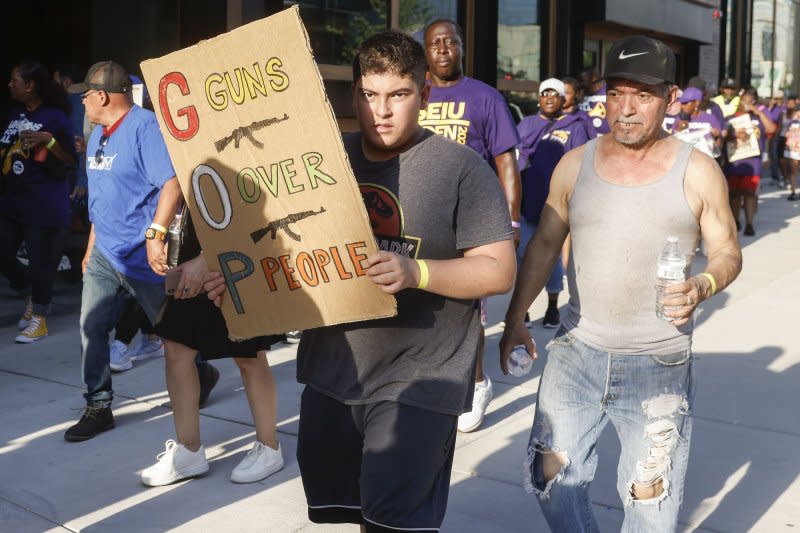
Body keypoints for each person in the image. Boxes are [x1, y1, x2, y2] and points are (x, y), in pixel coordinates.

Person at [208, 30, 515, 532]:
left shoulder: (461, 168)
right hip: (333, 373)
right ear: (354, 95)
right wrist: (237, 278)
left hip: (421, 378)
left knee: (394, 525)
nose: (382, 110)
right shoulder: (321, 162)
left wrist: (417, 271)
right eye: (370, 95)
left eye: (398, 94)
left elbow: (499, 269)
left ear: (425, 95)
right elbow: (275, 244)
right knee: (346, 515)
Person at [500, 35, 742, 532]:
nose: (626, 109)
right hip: (576, 351)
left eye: (643, 95)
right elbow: (543, 247)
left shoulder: (697, 171)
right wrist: (514, 319)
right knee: (552, 481)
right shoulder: (575, 165)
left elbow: (727, 252)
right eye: (616, 93)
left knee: (651, 508)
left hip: (658, 364)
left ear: (671, 99)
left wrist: (703, 285)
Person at [62, 61, 217, 442]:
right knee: (92, 327)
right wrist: (90, 247)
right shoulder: (97, 133)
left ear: (101, 96)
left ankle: (203, 372)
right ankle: (98, 405)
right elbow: (101, 195)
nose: (82, 102)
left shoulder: (143, 127)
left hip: (143, 256)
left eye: (86, 95)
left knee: (174, 335)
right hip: (105, 254)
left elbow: (171, 183)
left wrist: (155, 233)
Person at [420, 18, 522, 433]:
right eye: (434, 43)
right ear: (425, 52)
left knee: (469, 311)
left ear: (461, 47)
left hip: (472, 221)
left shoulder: (485, 97)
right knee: (425, 303)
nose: (443, 48)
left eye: (450, 41)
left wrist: (511, 219)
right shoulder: (416, 95)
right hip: (424, 217)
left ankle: (477, 382)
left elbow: (507, 164)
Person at [140, 211, 284, 487]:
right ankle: (188, 451)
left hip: (239, 245)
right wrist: (158, 230)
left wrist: (207, 258)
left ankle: (269, 447)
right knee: (176, 345)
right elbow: (177, 182)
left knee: (248, 353)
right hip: (195, 241)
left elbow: (254, 204)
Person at [0, 60, 77, 343]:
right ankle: (30, 291)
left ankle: (40, 317)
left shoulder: (56, 118)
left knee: (40, 262)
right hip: (13, 201)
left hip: (43, 202)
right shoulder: (14, 113)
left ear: (30, 86)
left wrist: (50, 141)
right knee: (4, 252)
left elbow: (71, 159)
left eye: (15, 80)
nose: (10, 85)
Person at [516, 78, 592, 328]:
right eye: (544, 93)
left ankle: (551, 307)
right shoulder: (526, 125)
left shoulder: (575, 126)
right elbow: (514, 159)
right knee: (523, 257)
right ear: (539, 98)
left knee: (553, 260)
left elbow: (581, 164)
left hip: (557, 206)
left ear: (563, 99)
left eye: (554, 94)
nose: (548, 97)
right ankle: (522, 309)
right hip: (527, 203)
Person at [723, 87, 776, 236]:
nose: (747, 103)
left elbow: (771, 128)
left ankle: (749, 224)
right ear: (739, 101)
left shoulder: (758, 118)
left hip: (753, 161)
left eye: (750, 101)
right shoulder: (731, 118)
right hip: (735, 160)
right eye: (744, 100)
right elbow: (724, 137)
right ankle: (735, 221)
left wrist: (758, 111)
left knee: (749, 193)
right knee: (734, 193)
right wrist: (734, 135)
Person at [670, 86, 723, 159]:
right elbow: (672, 140)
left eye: (686, 103)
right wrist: (679, 128)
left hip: (705, 161)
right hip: (684, 159)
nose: (682, 106)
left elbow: (719, 141)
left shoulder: (710, 118)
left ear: (697, 103)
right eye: (682, 103)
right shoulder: (679, 118)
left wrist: (716, 136)